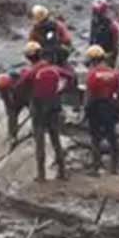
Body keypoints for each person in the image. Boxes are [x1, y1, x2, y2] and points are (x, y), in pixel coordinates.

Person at [26, 45, 73, 180]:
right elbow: (70, 77)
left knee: (39, 141)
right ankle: (62, 172)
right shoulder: (54, 69)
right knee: (55, 139)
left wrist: (29, 95)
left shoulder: (32, 71)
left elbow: (20, 86)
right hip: (54, 106)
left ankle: (41, 175)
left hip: (39, 108)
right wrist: (61, 89)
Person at [81, 45, 119, 173]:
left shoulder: (92, 74)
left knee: (95, 138)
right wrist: (118, 109)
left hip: (96, 106)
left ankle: (96, 168)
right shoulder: (113, 73)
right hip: (110, 105)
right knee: (112, 137)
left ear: (92, 60)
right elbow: (118, 92)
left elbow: (89, 94)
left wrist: (85, 109)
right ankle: (114, 167)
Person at [0, 42, 40, 146]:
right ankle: (13, 136)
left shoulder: (22, 77)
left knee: (34, 111)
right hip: (17, 100)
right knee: (12, 115)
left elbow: (32, 87)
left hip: (27, 95)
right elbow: (8, 105)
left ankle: (37, 130)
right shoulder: (3, 88)